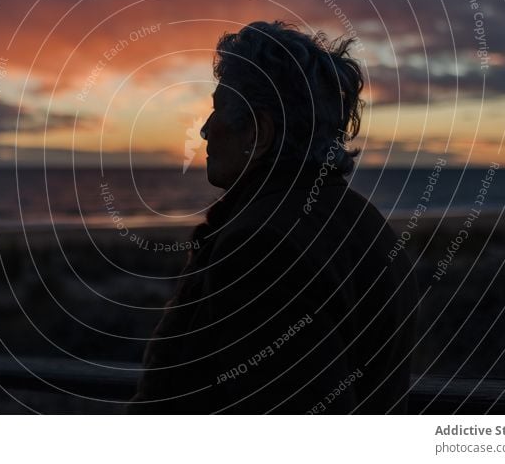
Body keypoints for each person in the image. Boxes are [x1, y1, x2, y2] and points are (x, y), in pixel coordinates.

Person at [128, 21, 419, 414]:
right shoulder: (366, 223)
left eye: (218, 111)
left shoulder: (262, 248)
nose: (204, 130)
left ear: (259, 133)